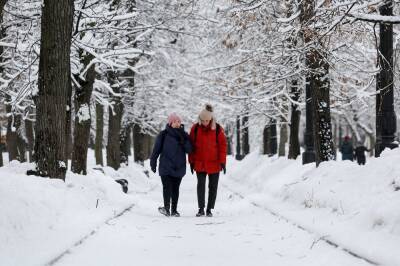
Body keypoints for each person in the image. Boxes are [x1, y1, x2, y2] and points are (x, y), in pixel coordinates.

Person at [150, 113, 192, 217]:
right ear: (170, 123)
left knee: (175, 189)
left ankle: (174, 210)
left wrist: (184, 142)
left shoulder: (184, 135)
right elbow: (156, 150)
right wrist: (153, 162)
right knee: (166, 187)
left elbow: (190, 150)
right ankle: (166, 208)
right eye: (175, 122)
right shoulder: (163, 135)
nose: (177, 123)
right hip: (166, 165)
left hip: (179, 166)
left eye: (178, 121)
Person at [189, 104, 227, 217]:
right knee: (200, 185)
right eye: (203, 120)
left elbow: (223, 146)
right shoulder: (195, 129)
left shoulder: (217, 129)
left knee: (213, 187)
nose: (205, 122)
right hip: (200, 163)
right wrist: (191, 161)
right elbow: (191, 147)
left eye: (207, 120)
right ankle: (201, 208)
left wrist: (222, 162)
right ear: (200, 119)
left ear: (211, 119)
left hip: (214, 163)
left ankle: (209, 209)